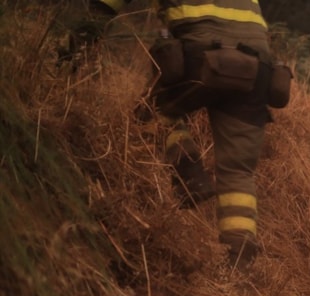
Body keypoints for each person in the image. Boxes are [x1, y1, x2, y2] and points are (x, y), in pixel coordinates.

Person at [72, 0, 290, 268]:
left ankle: (188, 170)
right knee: (238, 172)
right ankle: (238, 258)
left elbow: (103, 7)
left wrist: (79, 43)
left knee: (150, 115)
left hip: (201, 56)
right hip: (258, 70)